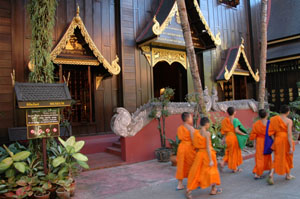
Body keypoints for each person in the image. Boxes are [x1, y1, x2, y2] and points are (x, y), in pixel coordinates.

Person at [185, 117, 222, 199]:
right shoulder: (207, 133)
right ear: (206, 124)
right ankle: (213, 189)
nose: (209, 125)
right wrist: (211, 160)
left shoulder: (196, 133)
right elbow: (208, 148)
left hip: (199, 155)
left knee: (196, 172)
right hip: (207, 155)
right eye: (209, 124)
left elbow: (195, 144)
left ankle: (189, 189)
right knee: (212, 171)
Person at [268, 105, 295, 185]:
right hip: (286, 139)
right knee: (288, 157)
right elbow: (289, 134)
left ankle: (271, 174)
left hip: (277, 139)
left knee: (277, 157)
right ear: (288, 112)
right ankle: (288, 175)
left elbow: (271, 133)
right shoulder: (289, 121)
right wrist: (290, 146)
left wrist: (275, 140)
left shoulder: (273, 119)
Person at [220, 107, 247, 173]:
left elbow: (224, 132)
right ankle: (235, 168)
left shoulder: (224, 120)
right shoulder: (235, 120)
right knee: (234, 153)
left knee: (229, 151)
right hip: (233, 137)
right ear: (234, 112)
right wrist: (243, 134)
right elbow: (236, 130)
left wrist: (223, 139)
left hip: (228, 137)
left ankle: (222, 162)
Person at [175, 112, 196, 190]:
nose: (191, 119)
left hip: (181, 147)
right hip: (189, 148)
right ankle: (193, 182)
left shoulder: (179, 128)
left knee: (181, 165)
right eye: (190, 117)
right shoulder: (191, 128)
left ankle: (180, 184)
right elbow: (193, 140)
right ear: (187, 119)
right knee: (192, 164)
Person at [249, 109, 273, 179]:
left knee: (260, 157)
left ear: (259, 116)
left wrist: (254, 144)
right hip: (267, 141)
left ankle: (261, 171)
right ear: (267, 115)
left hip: (259, 141)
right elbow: (272, 134)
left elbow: (254, 135)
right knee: (267, 156)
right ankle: (258, 173)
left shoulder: (256, 124)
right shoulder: (269, 123)